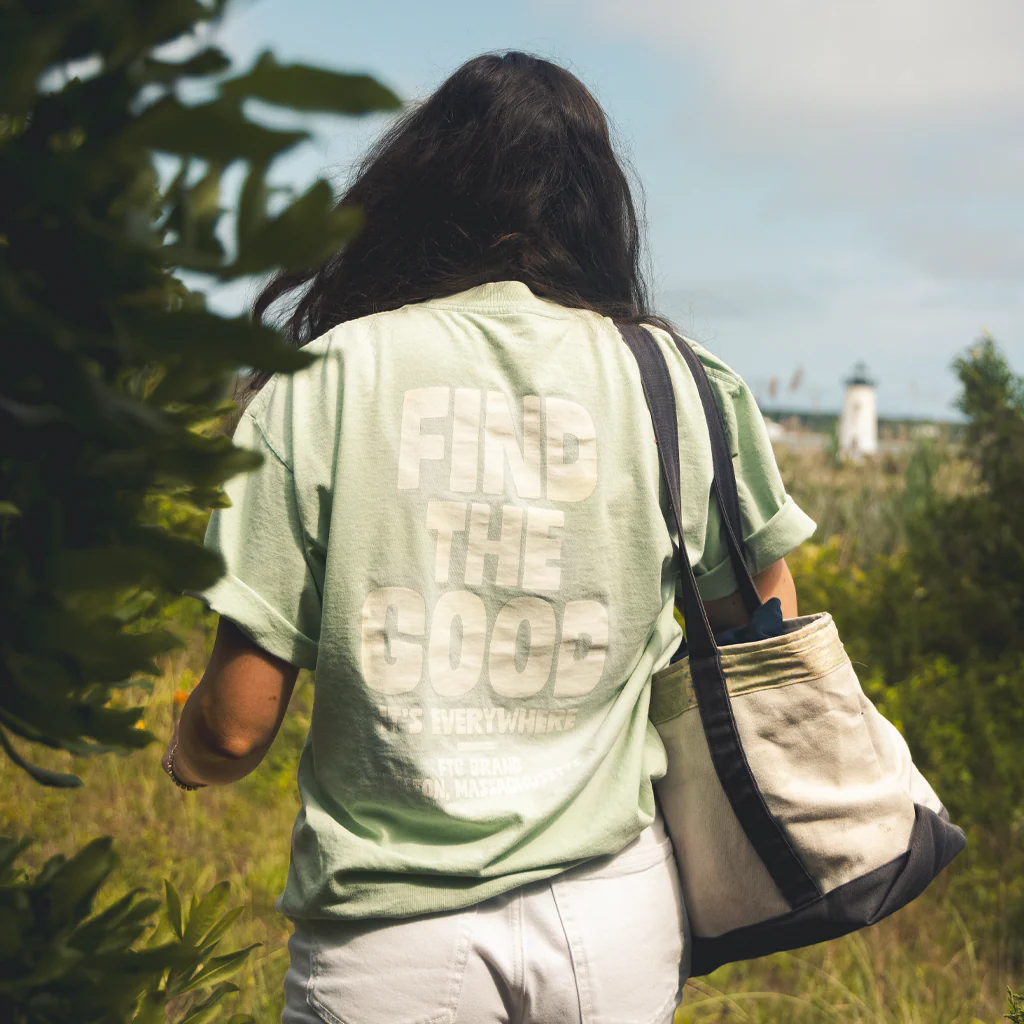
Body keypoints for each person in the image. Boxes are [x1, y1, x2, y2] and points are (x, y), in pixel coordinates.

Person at [162, 50, 815, 1024]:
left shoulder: (322, 382)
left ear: (414, 195)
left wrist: (185, 754)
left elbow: (237, 723)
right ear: (598, 208)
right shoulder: (674, 376)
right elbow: (767, 625)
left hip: (396, 932)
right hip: (616, 917)